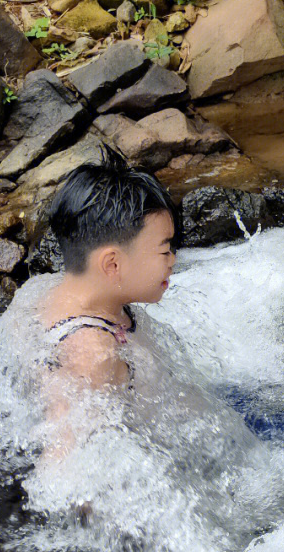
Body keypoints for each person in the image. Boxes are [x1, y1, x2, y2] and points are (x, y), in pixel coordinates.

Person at [34, 146, 182, 464]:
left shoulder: (48, 295)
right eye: (164, 250)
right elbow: (65, 460)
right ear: (113, 264)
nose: (173, 260)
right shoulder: (92, 351)